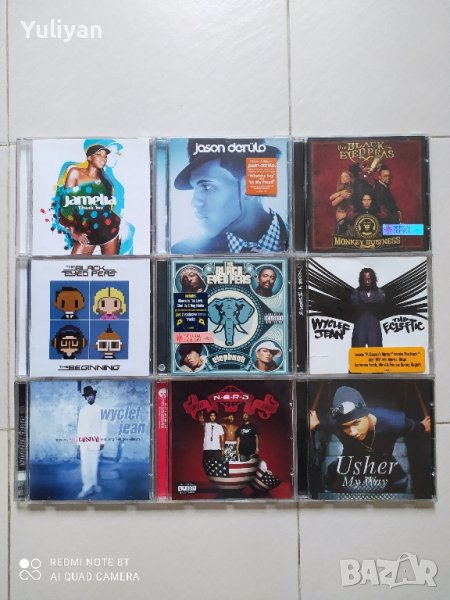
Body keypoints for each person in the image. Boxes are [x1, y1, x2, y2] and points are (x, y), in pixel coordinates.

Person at [171, 139, 288, 253]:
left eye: (207, 187)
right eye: (195, 189)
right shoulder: (182, 253)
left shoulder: (297, 241)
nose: (194, 202)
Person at [309, 386, 431, 493]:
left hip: (383, 457)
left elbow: (412, 427)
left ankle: (399, 489)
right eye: (345, 427)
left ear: (366, 414)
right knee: (335, 472)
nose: (353, 432)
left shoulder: (395, 422)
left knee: (399, 479)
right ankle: (328, 485)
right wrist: (316, 425)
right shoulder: (335, 424)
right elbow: (324, 425)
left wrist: (423, 426)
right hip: (351, 456)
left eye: (356, 423)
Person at [57, 143, 121, 255]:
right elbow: (66, 207)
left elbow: (105, 209)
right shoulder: (75, 173)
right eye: (99, 154)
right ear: (89, 157)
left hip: (109, 230)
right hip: (86, 233)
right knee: (75, 264)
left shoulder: (106, 182)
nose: (103, 158)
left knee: (111, 264)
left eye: (105, 156)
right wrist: (73, 232)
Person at [76, 386, 107, 499]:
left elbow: (104, 426)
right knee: (85, 466)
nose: (89, 397)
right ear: (85, 398)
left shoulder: (102, 409)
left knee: (94, 465)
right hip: (84, 442)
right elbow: (80, 428)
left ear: (94, 396)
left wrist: (102, 441)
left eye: (91, 395)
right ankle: (86, 487)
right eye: (87, 396)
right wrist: (78, 444)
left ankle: (94, 485)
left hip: (95, 442)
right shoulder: (82, 411)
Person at [351, 268, 385, 347]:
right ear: (361, 280)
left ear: (373, 279)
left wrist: (363, 303)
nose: (367, 282)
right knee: (358, 351)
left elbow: (381, 304)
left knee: (375, 351)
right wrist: (373, 303)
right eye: (365, 279)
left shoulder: (380, 292)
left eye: (369, 279)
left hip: (374, 326)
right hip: (360, 326)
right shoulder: (356, 292)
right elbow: (355, 305)